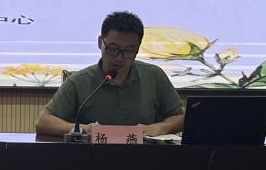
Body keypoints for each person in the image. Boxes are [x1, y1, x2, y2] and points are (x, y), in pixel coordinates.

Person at [35, 10, 184, 138]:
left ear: (138, 48)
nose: (119, 58)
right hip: (92, 158)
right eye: (113, 48)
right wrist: (82, 129)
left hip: (143, 157)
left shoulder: (153, 76)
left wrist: (157, 128)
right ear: (100, 42)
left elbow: (180, 117)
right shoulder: (79, 81)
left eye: (129, 51)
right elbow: (43, 122)